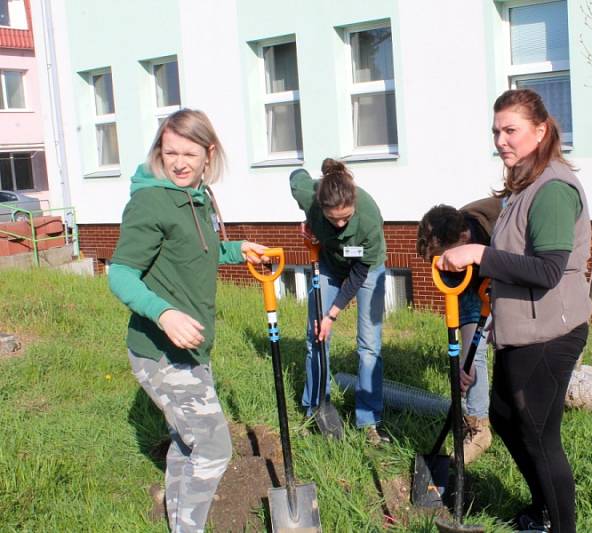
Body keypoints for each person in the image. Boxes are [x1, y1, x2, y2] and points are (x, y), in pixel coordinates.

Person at [437, 89, 592, 533]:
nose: (501, 140)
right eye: (496, 131)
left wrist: (477, 255)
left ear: (540, 131)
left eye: (511, 130)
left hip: (550, 332)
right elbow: (513, 263)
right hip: (521, 327)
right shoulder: (523, 185)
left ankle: (559, 524)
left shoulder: (553, 190)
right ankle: (543, 507)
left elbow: (546, 270)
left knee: (541, 437)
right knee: (505, 418)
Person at [108, 109, 267, 532]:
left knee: (187, 441)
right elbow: (120, 272)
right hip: (161, 351)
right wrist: (164, 312)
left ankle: (180, 522)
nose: (178, 162)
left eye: (189, 153)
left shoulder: (197, 196)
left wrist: (237, 250)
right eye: (169, 151)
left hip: (192, 346)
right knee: (214, 448)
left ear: (207, 154)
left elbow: (197, 249)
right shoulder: (151, 200)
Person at [290, 158, 388, 445]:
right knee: (316, 338)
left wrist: (333, 313)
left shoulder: (369, 218)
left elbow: (359, 273)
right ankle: (315, 408)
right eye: (334, 219)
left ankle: (368, 420)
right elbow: (296, 176)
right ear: (321, 207)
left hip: (367, 271)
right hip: (329, 267)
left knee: (369, 346)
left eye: (346, 217)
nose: (341, 223)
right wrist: (310, 224)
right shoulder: (310, 198)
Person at [416, 196, 502, 464]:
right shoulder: (453, 254)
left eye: (444, 260)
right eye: (436, 262)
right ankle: (479, 427)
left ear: (465, 238)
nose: (442, 267)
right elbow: (467, 309)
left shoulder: (499, 231)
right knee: (472, 355)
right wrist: (467, 360)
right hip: (478, 282)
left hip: (516, 275)